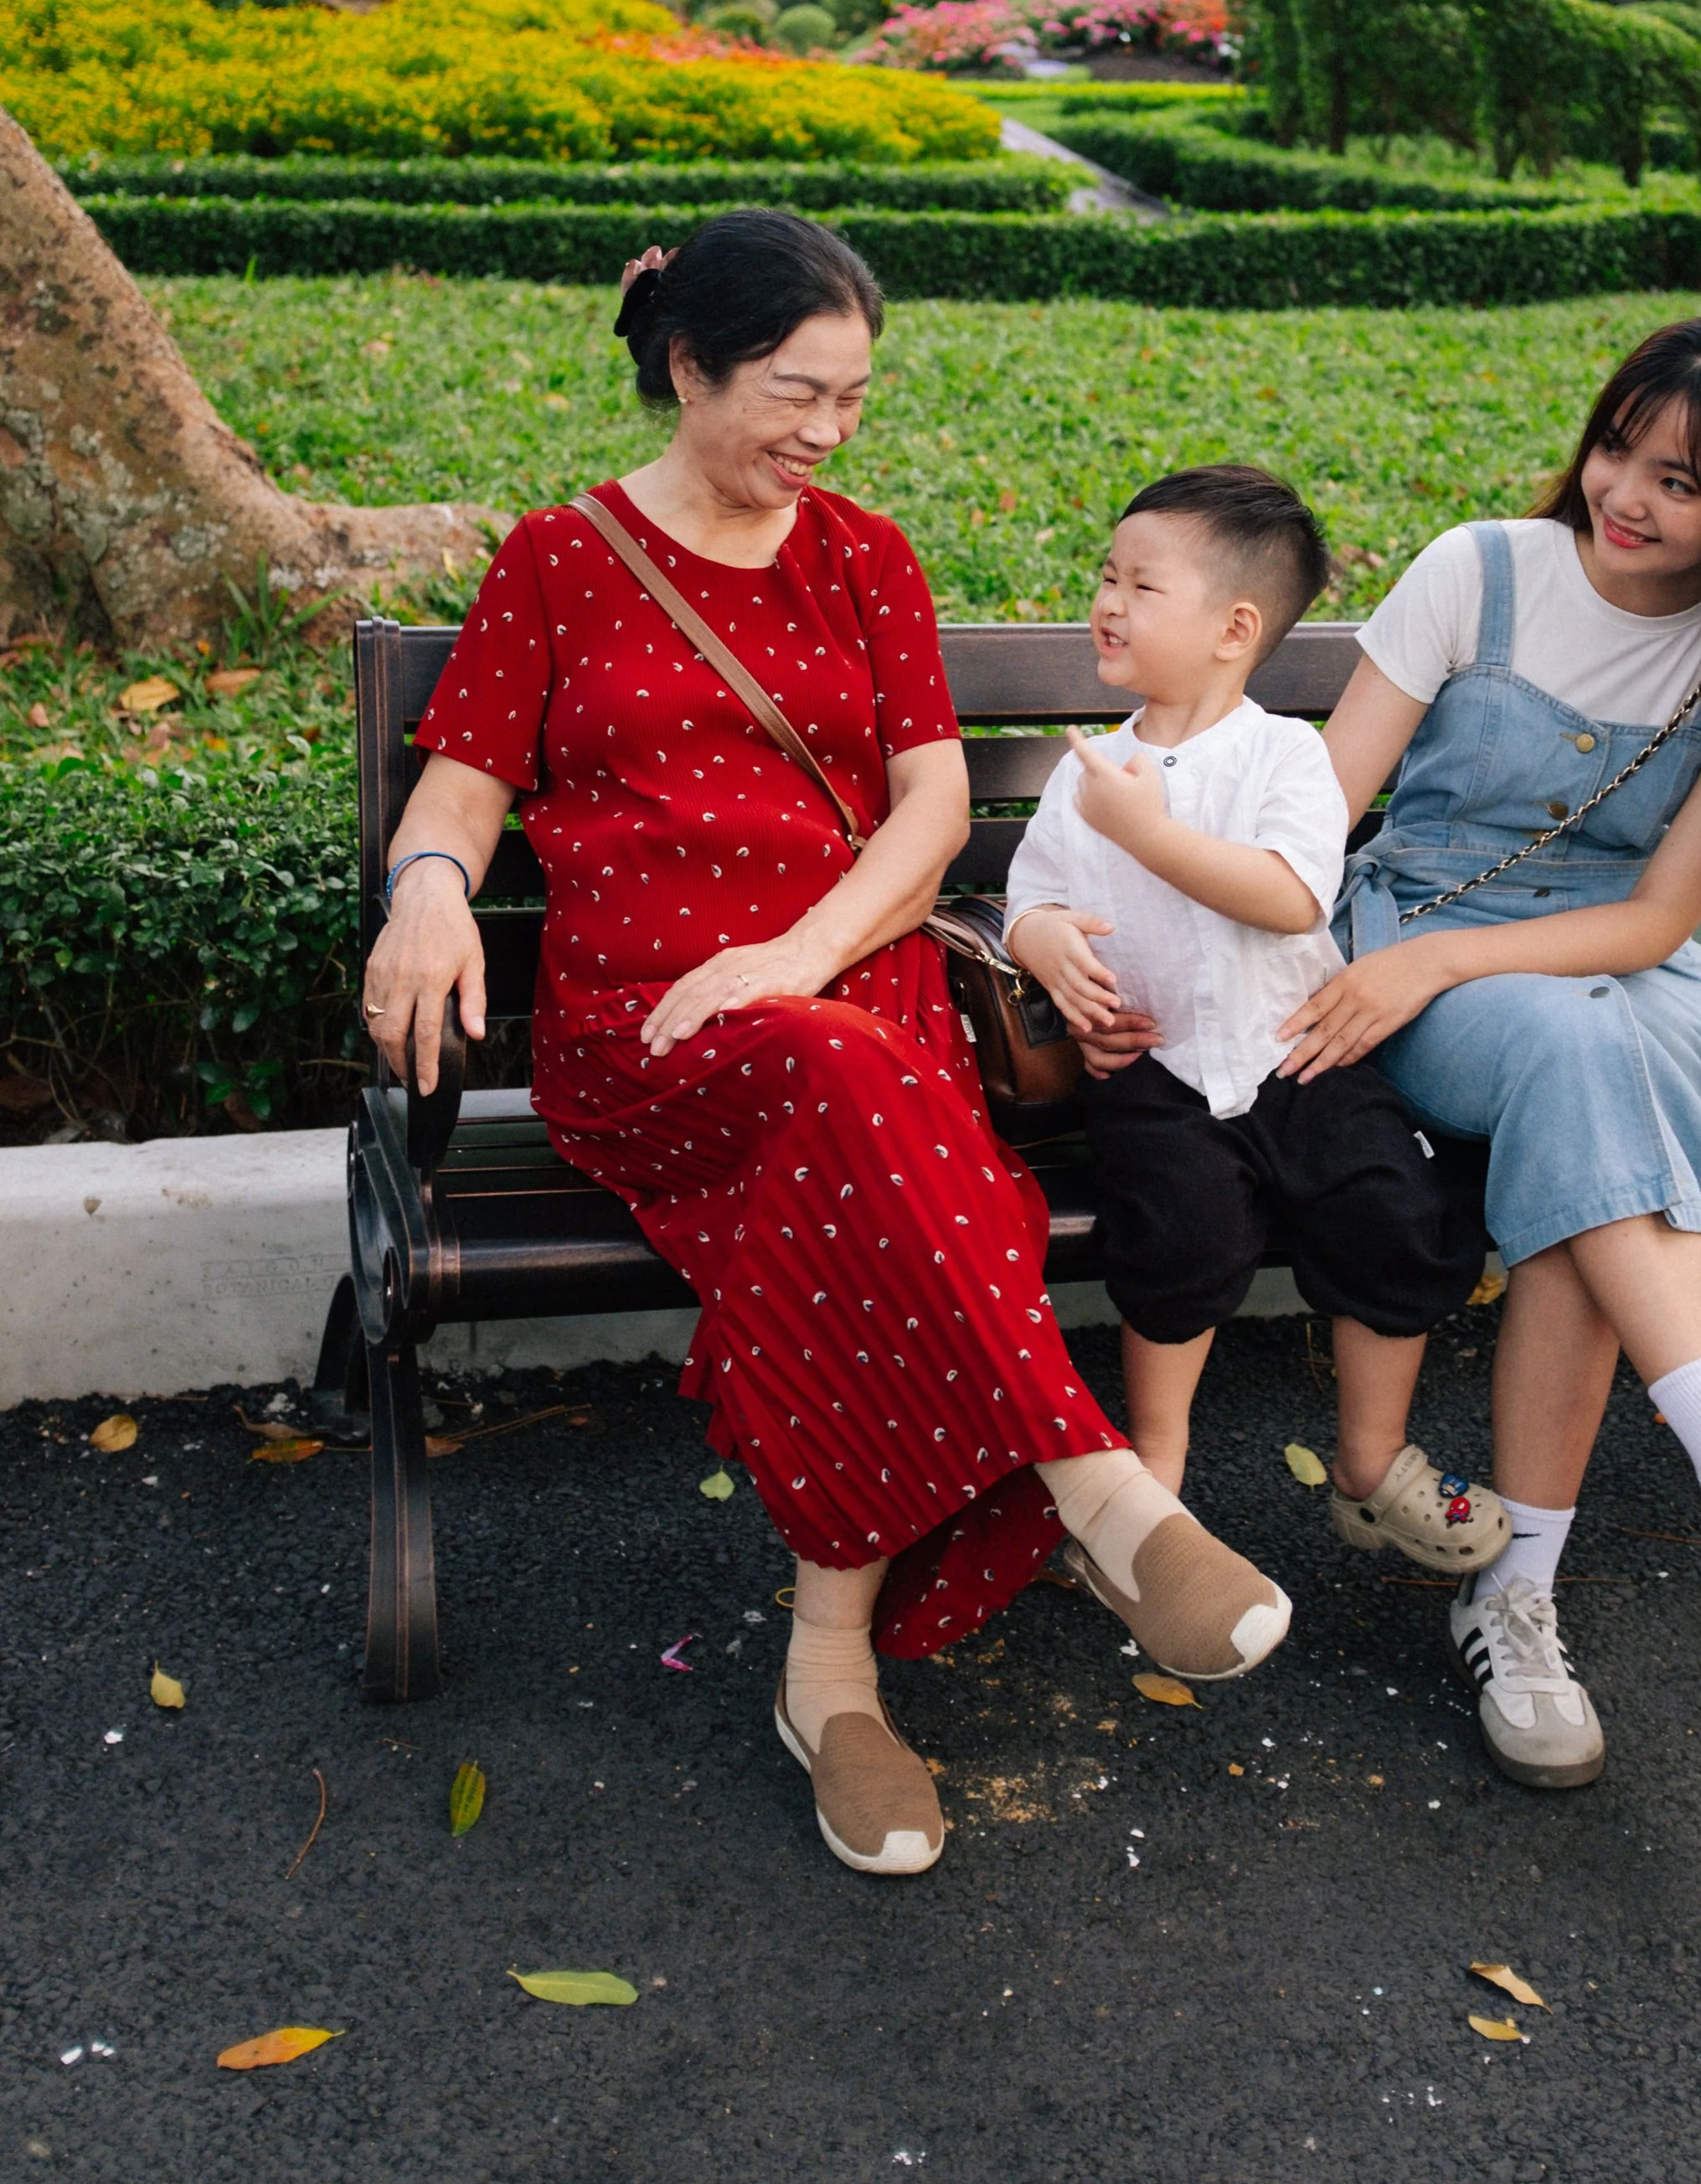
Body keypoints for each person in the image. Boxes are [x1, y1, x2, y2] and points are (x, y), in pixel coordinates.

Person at [358, 211, 1289, 1881]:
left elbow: (931, 801)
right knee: (883, 1126)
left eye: (853, 397)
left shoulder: (861, 554)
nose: (828, 431)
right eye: (796, 391)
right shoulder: (557, 562)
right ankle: (1101, 1497)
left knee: (855, 1129)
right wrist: (429, 891)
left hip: (848, 999)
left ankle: (830, 1675)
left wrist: (795, 955)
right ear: (687, 363)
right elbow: (464, 786)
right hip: (652, 1044)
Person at [1283, 317, 1701, 1793]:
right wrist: (1401, 951)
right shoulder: (1478, 569)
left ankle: (1518, 1601)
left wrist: (1453, 955)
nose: (1627, 493)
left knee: (1582, 1153)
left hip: (1619, 971)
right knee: (1580, 1083)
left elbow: (1660, 915)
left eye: (1681, 479)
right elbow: (1321, 808)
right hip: (1418, 945)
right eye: (1618, 445)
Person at [1003, 464, 1508, 1576]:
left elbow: (1287, 893)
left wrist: (1146, 833)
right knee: (1174, 1232)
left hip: (1300, 1051)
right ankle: (1158, 1474)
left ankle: (1371, 1465)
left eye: (1142, 583)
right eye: (1105, 574)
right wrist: (1040, 943)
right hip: (1156, 1064)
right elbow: (1031, 897)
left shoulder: (1284, 755)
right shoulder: (1089, 771)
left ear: (1236, 627)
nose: (1108, 600)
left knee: (1394, 1208)